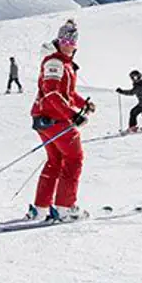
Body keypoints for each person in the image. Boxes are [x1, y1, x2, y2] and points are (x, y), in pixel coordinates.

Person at [28, 28, 95, 222]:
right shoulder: (55, 63)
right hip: (54, 118)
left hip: (46, 119)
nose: (69, 45)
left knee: (55, 160)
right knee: (74, 158)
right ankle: (65, 208)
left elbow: (67, 93)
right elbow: (51, 94)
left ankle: (41, 209)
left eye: (72, 42)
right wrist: (72, 115)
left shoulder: (64, 63)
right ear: (58, 40)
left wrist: (84, 105)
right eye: (65, 40)